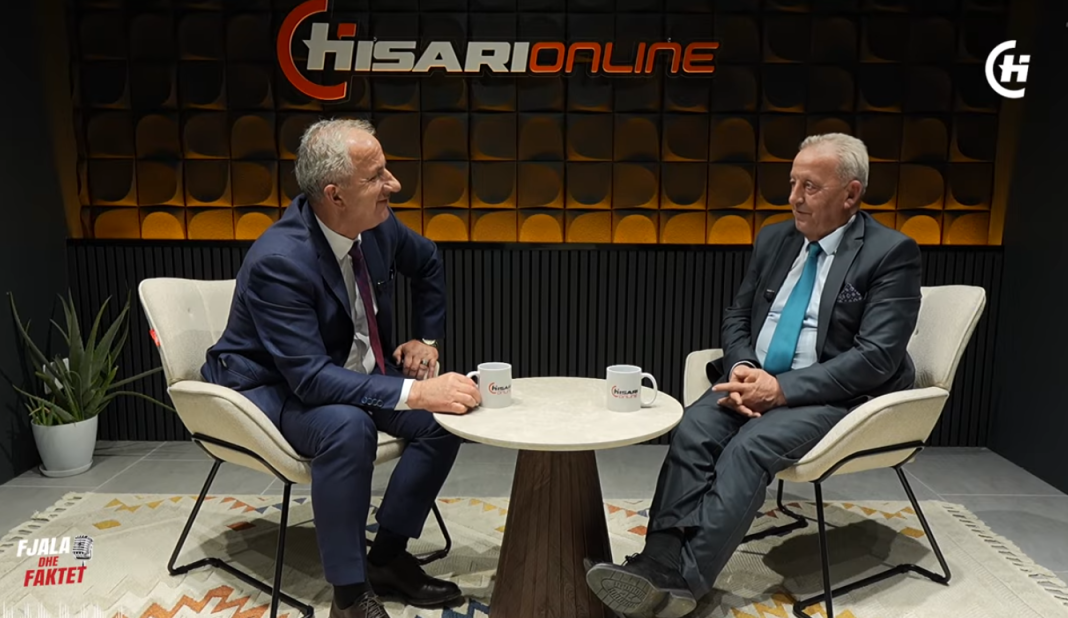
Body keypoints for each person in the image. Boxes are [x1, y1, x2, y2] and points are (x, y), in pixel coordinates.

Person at [584, 133, 923, 618]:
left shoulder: (890, 253)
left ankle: (683, 583)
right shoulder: (775, 239)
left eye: (810, 186)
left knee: (749, 448)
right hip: (755, 379)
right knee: (695, 428)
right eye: (793, 183)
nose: (794, 197)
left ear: (851, 194)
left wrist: (781, 390)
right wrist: (743, 367)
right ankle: (657, 561)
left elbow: (876, 358)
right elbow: (738, 316)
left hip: (829, 395)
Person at [200, 118, 482, 618]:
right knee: (349, 426)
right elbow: (309, 379)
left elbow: (427, 261)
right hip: (274, 385)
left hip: (348, 373)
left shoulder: (377, 225)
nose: (394, 184)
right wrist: (416, 392)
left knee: (444, 418)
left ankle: (387, 558)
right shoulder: (279, 261)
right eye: (376, 176)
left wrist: (427, 340)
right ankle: (349, 596)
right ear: (334, 195)